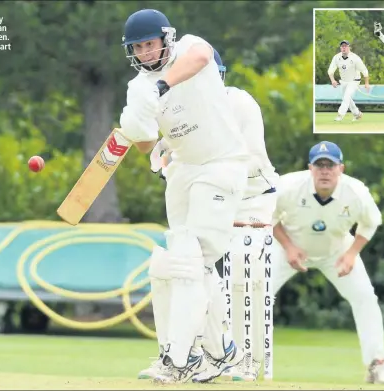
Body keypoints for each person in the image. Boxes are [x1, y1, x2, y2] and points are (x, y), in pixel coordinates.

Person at [119, 9, 249, 384]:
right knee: (175, 265)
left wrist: (159, 88)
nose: (145, 53)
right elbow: (145, 146)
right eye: (138, 48)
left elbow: (202, 58)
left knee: (193, 260)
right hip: (183, 170)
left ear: (165, 38)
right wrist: (134, 122)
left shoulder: (189, 47)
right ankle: (220, 351)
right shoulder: (136, 87)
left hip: (222, 163)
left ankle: (179, 360)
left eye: (149, 44)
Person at [145, 50, 279, 383]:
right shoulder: (186, 111)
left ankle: (224, 356)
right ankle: (204, 353)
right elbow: (171, 151)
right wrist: (165, 159)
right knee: (179, 265)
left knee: (229, 270)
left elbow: (243, 159)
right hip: (209, 195)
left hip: (251, 199)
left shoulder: (240, 103)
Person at [268, 141, 384, 385]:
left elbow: (371, 223)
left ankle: (377, 365)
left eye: (330, 165)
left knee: (365, 298)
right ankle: (244, 361)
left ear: (341, 168)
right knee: (258, 295)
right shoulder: (287, 187)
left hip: (337, 251)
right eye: (319, 165)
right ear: (310, 168)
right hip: (288, 247)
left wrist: (351, 254)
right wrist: (288, 246)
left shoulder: (356, 192)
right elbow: (267, 215)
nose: (324, 171)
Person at [327, 40, 370, 122]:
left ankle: (340, 115)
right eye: (342, 46)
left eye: (345, 46)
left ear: (349, 47)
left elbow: (364, 70)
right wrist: (333, 80)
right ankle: (357, 114)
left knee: (347, 96)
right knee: (346, 98)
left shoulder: (355, 58)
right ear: (340, 48)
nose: (344, 48)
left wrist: (366, 83)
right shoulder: (336, 57)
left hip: (354, 81)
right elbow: (330, 71)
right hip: (343, 81)